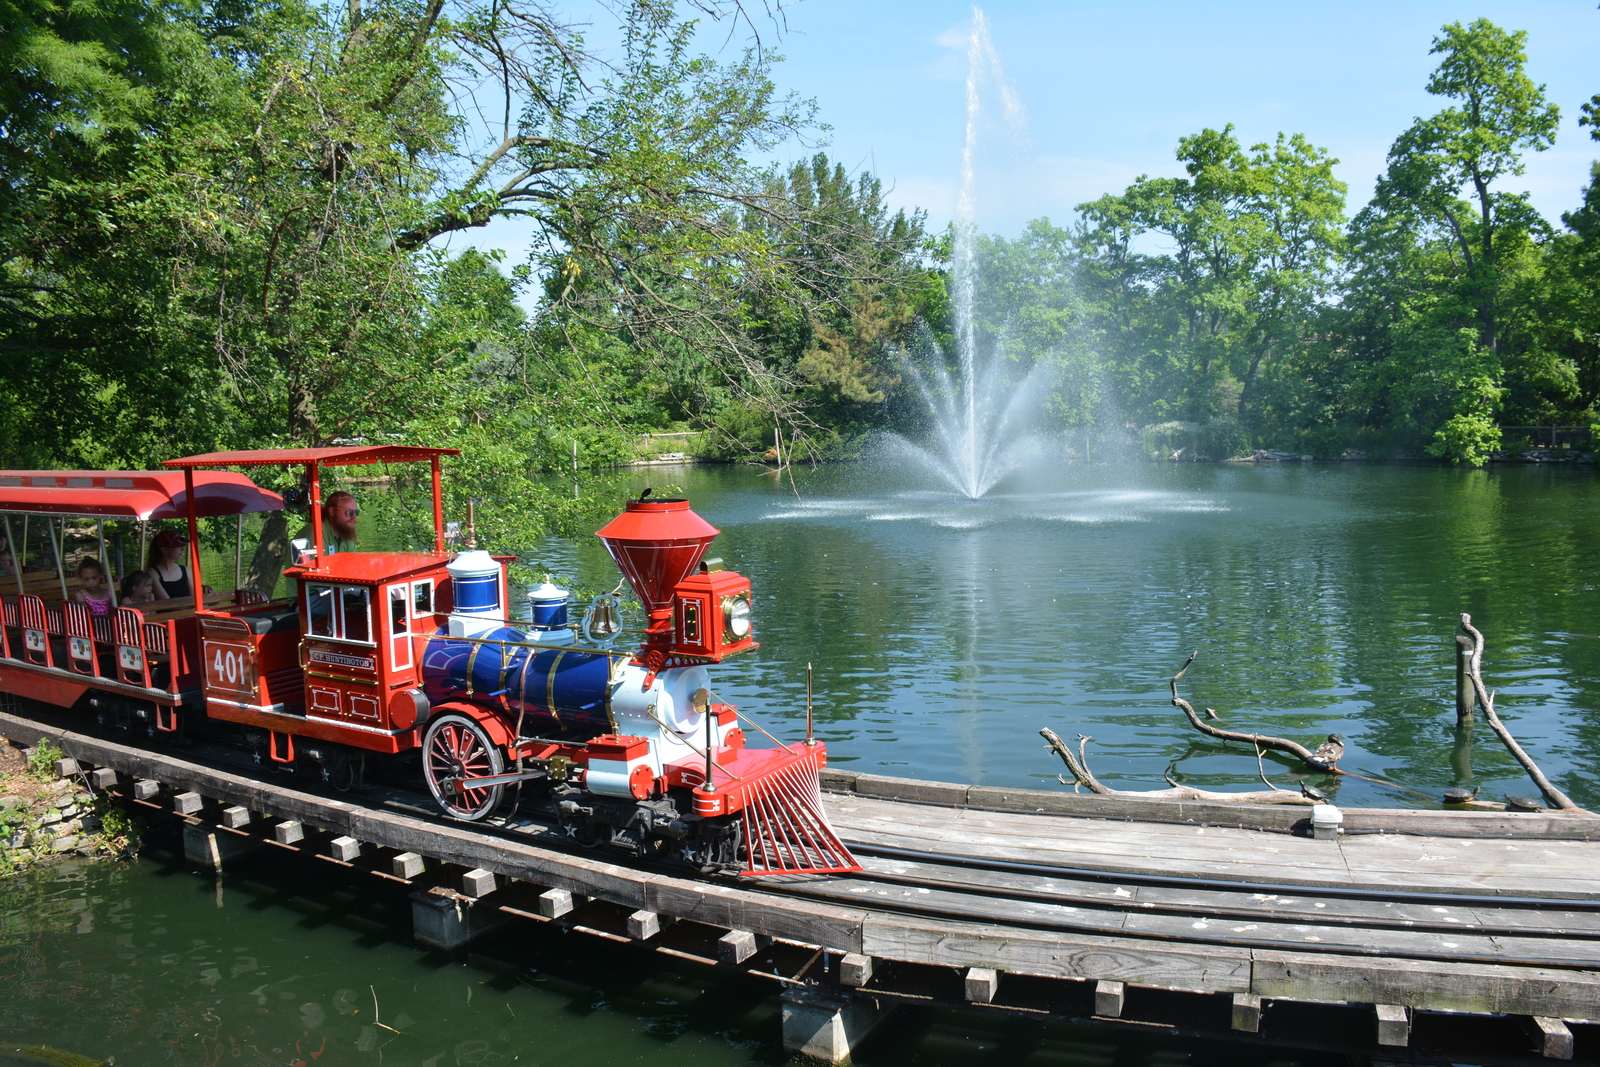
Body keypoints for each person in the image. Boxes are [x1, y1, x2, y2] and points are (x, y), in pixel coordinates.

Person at [296, 491, 359, 558]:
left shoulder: (345, 533)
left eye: (356, 512)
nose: (354, 517)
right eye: (348, 512)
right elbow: (312, 567)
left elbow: (353, 564)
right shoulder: (315, 532)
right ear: (332, 511)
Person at [146, 529, 193, 601]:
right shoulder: (152, 573)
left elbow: (194, 598)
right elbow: (167, 603)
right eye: (178, 546)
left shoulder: (186, 570)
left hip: (189, 610)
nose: (183, 549)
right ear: (164, 549)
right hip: (168, 612)